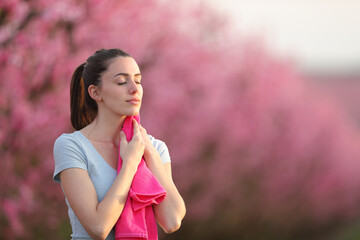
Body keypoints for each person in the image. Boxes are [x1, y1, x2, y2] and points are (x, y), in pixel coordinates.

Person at [53, 48, 186, 240]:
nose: (134, 88)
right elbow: (98, 227)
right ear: (95, 92)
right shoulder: (72, 146)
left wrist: (149, 154)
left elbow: (172, 220)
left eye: (138, 80)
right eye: (122, 81)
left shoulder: (156, 148)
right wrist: (130, 164)